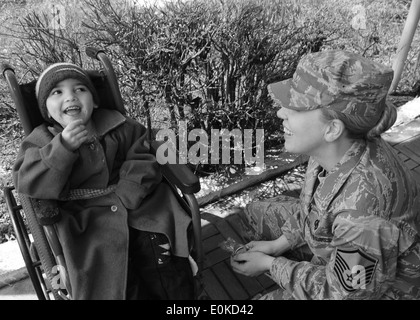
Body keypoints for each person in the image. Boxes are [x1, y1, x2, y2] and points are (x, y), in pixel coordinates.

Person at [230, 50, 420, 300]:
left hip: (373, 292)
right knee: (255, 213)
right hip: (342, 249)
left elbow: (343, 293)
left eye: (294, 108)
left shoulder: (362, 216)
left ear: (332, 128)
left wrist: (270, 265)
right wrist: (277, 246)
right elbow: (313, 209)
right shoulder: (332, 148)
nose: (280, 113)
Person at [13, 63, 195, 300]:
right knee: (112, 276)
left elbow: (144, 151)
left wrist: (130, 188)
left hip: (138, 206)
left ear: (95, 101)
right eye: (57, 92)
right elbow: (26, 179)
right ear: (46, 110)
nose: (70, 96)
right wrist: (61, 149)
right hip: (86, 223)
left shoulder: (119, 124)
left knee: (161, 257)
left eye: (80, 89)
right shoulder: (42, 140)